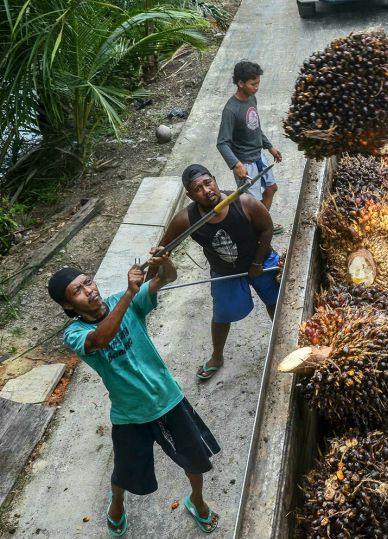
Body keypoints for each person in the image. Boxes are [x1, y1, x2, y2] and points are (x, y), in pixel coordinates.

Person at [48, 253, 221, 536]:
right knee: (125, 472)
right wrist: (130, 293)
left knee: (194, 458)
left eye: (88, 282)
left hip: (167, 397)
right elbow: (100, 339)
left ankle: (197, 501)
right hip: (129, 414)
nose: (89, 291)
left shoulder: (122, 300)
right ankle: (117, 503)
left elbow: (167, 277)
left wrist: (163, 261)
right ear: (68, 305)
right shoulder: (76, 333)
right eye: (77, 291)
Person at [155, 163, 279, 381]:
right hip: (224, 270)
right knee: (222, 316)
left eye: (208, 183)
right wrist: (145, 286)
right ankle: (217, 357)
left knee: (276, 302)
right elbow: (163, 250)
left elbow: (267, 229)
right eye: (198, 189)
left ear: (214, 179)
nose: (207, 190)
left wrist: (257, 263)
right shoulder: (185, 219)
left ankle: (284, 341)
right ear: (190, 195)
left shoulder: (245, 202)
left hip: (260, 260)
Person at [217, 59, 283, 224]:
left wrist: (269, 147)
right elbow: (222, 143)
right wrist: (236, 164)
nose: (257, 87)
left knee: (271, 188)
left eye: (258, 83)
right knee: (251, 204)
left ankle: (262, 224)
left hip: (259, 156)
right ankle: (257, 228)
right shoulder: (231, 110)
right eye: (253, 84)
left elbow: (255, 127)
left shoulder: (252, 98)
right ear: (240, 83)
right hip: (245, 163)